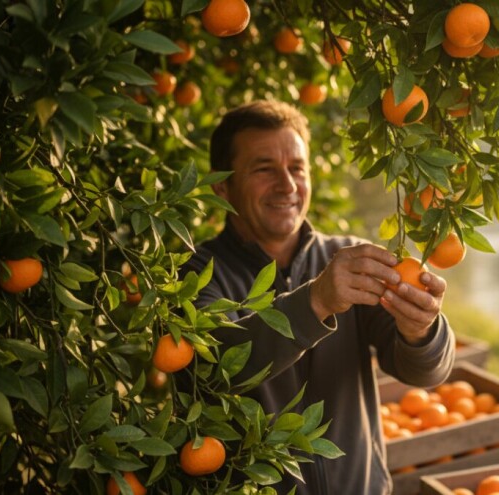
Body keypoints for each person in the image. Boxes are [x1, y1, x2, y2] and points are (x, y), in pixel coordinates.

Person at [180, 100, 456, 494]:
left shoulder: (348, 260)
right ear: (222, 186)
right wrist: (316, 302)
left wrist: (422, 330)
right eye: (264, 169)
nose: (287, 185)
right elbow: (214, 370)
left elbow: (425, 372)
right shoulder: (195, 274)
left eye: (297, 168)